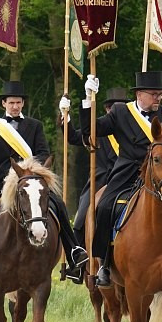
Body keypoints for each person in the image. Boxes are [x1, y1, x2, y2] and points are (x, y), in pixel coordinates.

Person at [74, 71, 162, 288]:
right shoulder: (121, 112)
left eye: (160, 94)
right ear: (139, 94)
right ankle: (105, 263)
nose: (158, 98)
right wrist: (88, 100)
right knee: (104, 207)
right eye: (154, 94)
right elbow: (90, 130)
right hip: (128, 171)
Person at [0, 80, 88, 281]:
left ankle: (73, 252)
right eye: (11, 102)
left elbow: (43, 152)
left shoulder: (34, 125)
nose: (15, 106)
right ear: (4, 104)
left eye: (18, 102)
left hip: (29, 179)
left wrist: (30, 170)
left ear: (22, 104)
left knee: (59, 205)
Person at [59, 87, 126, 270]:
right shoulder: (98, 127)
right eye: (112, 107)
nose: (115, 111)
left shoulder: (131, 128)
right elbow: (73, 137)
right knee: (81, 215)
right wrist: (66, 117)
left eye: (120, 107)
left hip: (128, 176)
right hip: (101, 178)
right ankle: (78, 259)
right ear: (106, 110)